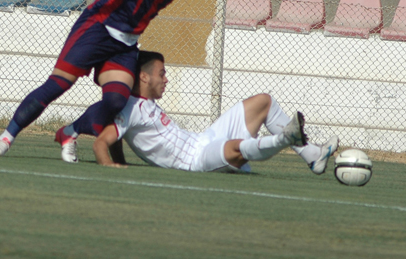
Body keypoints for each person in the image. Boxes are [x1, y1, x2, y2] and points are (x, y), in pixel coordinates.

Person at [0, 0, 230, 157]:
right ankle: (6, 137)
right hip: (98, 27)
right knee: (58, 85)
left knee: (116, 101)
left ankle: (70, 131)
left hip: (125, 44)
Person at [86, 51, 340, 173]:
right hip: (195, 161)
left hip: (203, 139)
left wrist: (120, 159)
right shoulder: (130, 108)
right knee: (234, 148)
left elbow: (117, 138)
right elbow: (101, 143)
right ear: (143, 77)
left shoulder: (144, 104)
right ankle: (286, 138)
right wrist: (111, 167)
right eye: (162, 74)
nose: (166, 79)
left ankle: (312, 155)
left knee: (264, 101)